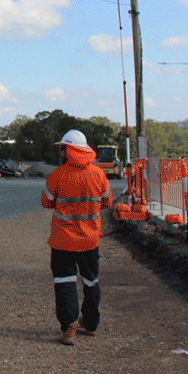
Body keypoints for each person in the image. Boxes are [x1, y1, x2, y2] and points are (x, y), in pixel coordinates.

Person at [42, 129, 113, 345]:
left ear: (68, 150)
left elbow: (46, 202)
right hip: (90, 239)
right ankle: (90, 323)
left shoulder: (57, 175)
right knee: (91, 281)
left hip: (63, 240)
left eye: (63, 148)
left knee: (64, 281)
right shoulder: (99, 174)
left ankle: (70, 325)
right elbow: (107, 202)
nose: (61, 152)